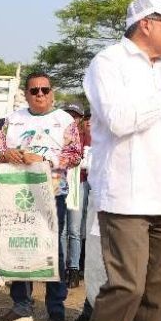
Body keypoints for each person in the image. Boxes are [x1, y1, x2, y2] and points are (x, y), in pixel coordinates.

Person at [61, 0, 161, 321]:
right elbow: (118, 121)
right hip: (126, 198)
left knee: (160, 292)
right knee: (127, 289)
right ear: (145, 24)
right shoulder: (108, 63)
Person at [0, 72, 83, 321]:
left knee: (51, 248)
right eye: (34, 90)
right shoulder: (13, 119)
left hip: (52, 193)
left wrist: (45, 162)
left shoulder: (64, 120)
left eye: (44, 89)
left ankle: (55, 309)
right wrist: (6, 153)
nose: (40, 94)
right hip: (17, 193)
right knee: (20, 244)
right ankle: (21, 306)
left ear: (52, 92)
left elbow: (75, 154)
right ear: (27, 94)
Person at [62, 102, 89, 288]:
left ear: (80, 118)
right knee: (62, 230)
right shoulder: (58, 134)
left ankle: (73, 268)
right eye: (69, 114)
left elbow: (87, 162)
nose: (72, 118)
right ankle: (62, 267)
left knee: (74, 230)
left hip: (78, 184)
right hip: (59, 183)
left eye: (75, 115)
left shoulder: (85, 136)